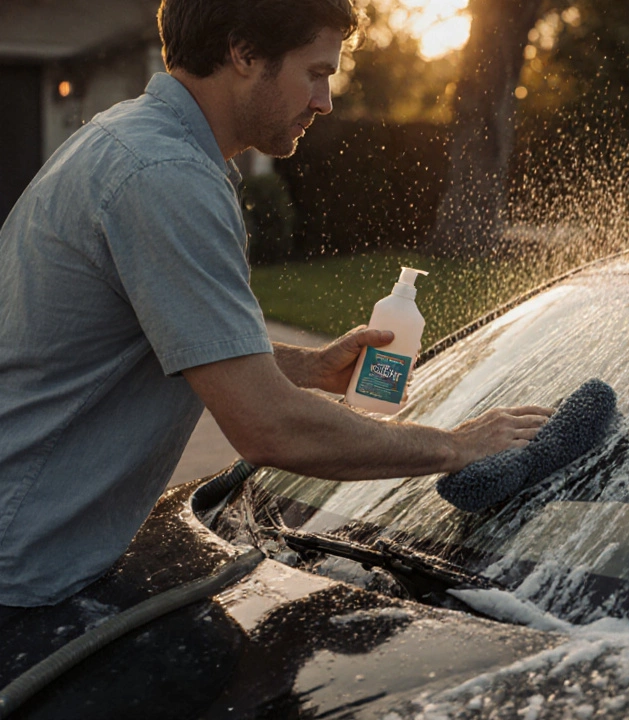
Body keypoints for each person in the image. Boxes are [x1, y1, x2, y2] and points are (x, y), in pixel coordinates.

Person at [0, 0, 550, 611]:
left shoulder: (125, 139)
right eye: (316, 72)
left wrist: (310, 368)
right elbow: (268, 427)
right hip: (21, 570)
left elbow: (170, 338)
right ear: (243, 53)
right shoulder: (165, 177)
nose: (325, 101)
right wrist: (457, 447)